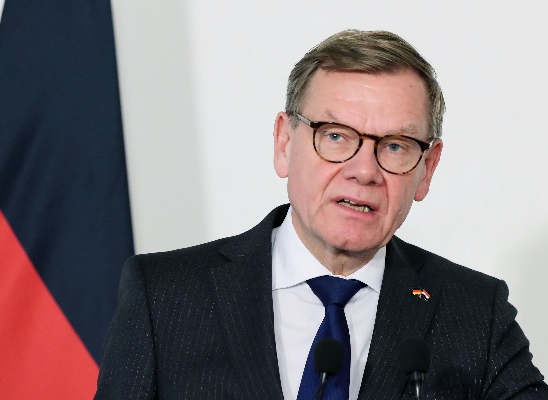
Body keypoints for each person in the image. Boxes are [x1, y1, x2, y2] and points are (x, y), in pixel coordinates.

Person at [94, 29, 547, 399]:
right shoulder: (165, 297)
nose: (364, 171)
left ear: (427, 169)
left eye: (395, 146)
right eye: (335, 136)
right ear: (284, 143)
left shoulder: (474, 312)